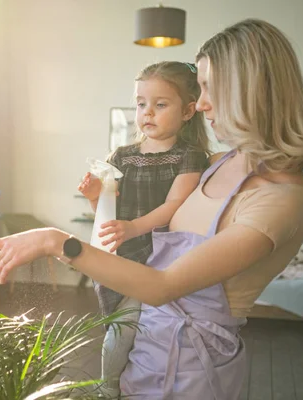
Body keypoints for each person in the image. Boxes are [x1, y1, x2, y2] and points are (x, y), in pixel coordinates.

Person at [0, 18, 303, 399]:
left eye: (210, 88)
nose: (201, 104)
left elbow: (163, 286)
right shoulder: (221, 160)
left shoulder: (280, 198)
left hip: (189, 372)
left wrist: (56, 242)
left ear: (252, 91)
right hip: (149, 348)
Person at [77, 61, 210, 395]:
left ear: (188, 110)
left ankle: (132, 386)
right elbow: (108, 212)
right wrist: (95, 197)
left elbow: (173, 205)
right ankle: (108, 389)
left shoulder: (190, 156)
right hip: (125, 255)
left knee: (147, 332)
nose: (147, 112)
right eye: (141, 104)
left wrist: (132, 227)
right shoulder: (121, 156)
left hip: (164, 257)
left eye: (160, 104)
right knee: (121, 330)